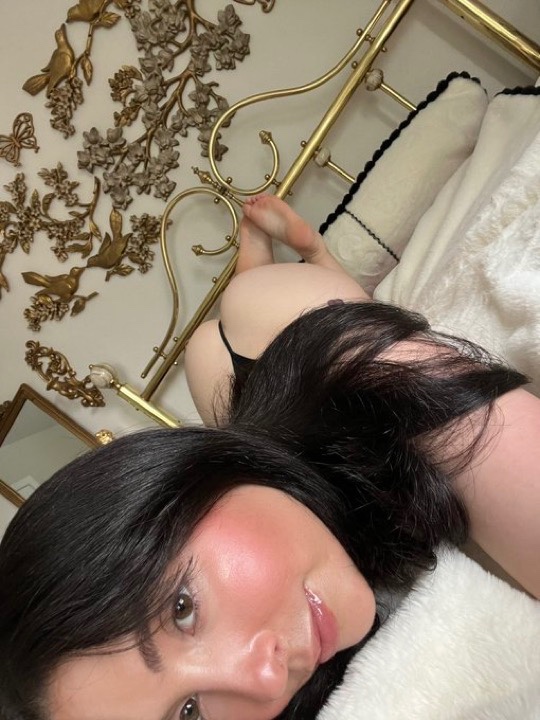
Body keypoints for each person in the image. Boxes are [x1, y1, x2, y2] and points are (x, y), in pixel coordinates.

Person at [0, 197, 539, 720]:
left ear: (171, 489)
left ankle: (298, 260)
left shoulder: (358, 379)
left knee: (261, 310)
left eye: (182, 608)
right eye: (188, 714)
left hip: (281, 336)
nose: (264, 682)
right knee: (220, 379)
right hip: (243, 422)